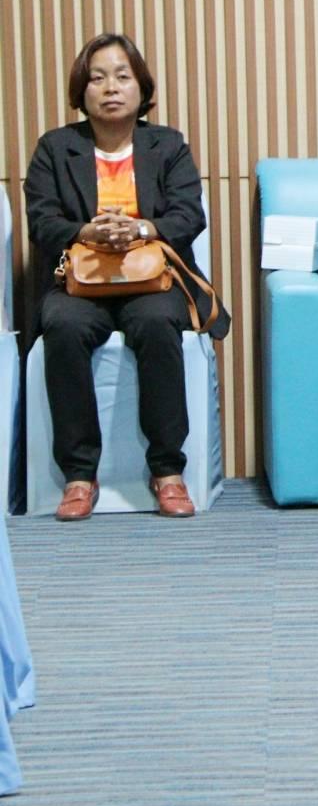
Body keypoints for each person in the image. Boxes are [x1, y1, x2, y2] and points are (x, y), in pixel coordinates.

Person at [24, 33, 231, 521]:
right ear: (82, 90)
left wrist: (141, 228)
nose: (111, 87)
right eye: (98, 78)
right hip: (82, 281)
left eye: (122, 76)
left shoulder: (167, 144)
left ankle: (168, 470)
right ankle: (79, 475)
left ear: (141, 87)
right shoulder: (55, 147)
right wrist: (87, 231)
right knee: (63, 326)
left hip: (152, 278)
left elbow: (188, 215)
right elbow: (41, 221)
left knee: (158, 323)